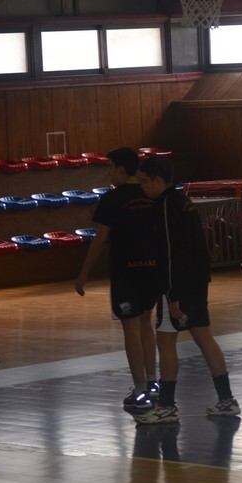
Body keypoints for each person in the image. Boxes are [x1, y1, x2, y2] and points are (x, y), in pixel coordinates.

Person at [135, 156, 240, 423]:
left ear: (158, 180)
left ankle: (167, 405)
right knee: (205, 338)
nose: (142, 187)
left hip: (177, 288)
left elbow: (172, 254)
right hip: (196, 283)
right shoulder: (184, 202)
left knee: (165, 341)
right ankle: (227, 400)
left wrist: (173, 294)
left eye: (144, 181)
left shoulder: (165, 206)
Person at [75, 147, 159, 417]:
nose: (109, 173)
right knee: (146, 324)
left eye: (110, 168)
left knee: (130, 329)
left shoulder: (112, 198)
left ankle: (140, 390)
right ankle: (152, 382)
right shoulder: (149, 194)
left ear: (122, 170)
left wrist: (84, 272)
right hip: (152, 270)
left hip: (126, 273)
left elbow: (100, 238)